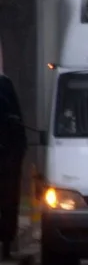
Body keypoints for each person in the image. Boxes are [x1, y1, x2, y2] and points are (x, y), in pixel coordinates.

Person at [0, 75, 27, 259]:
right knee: (9, 203)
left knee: (8, 203)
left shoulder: (5, 86)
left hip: (9, 156)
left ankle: (7, 244)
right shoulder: (6, 85)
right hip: (10, 156)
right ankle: (6, 245)